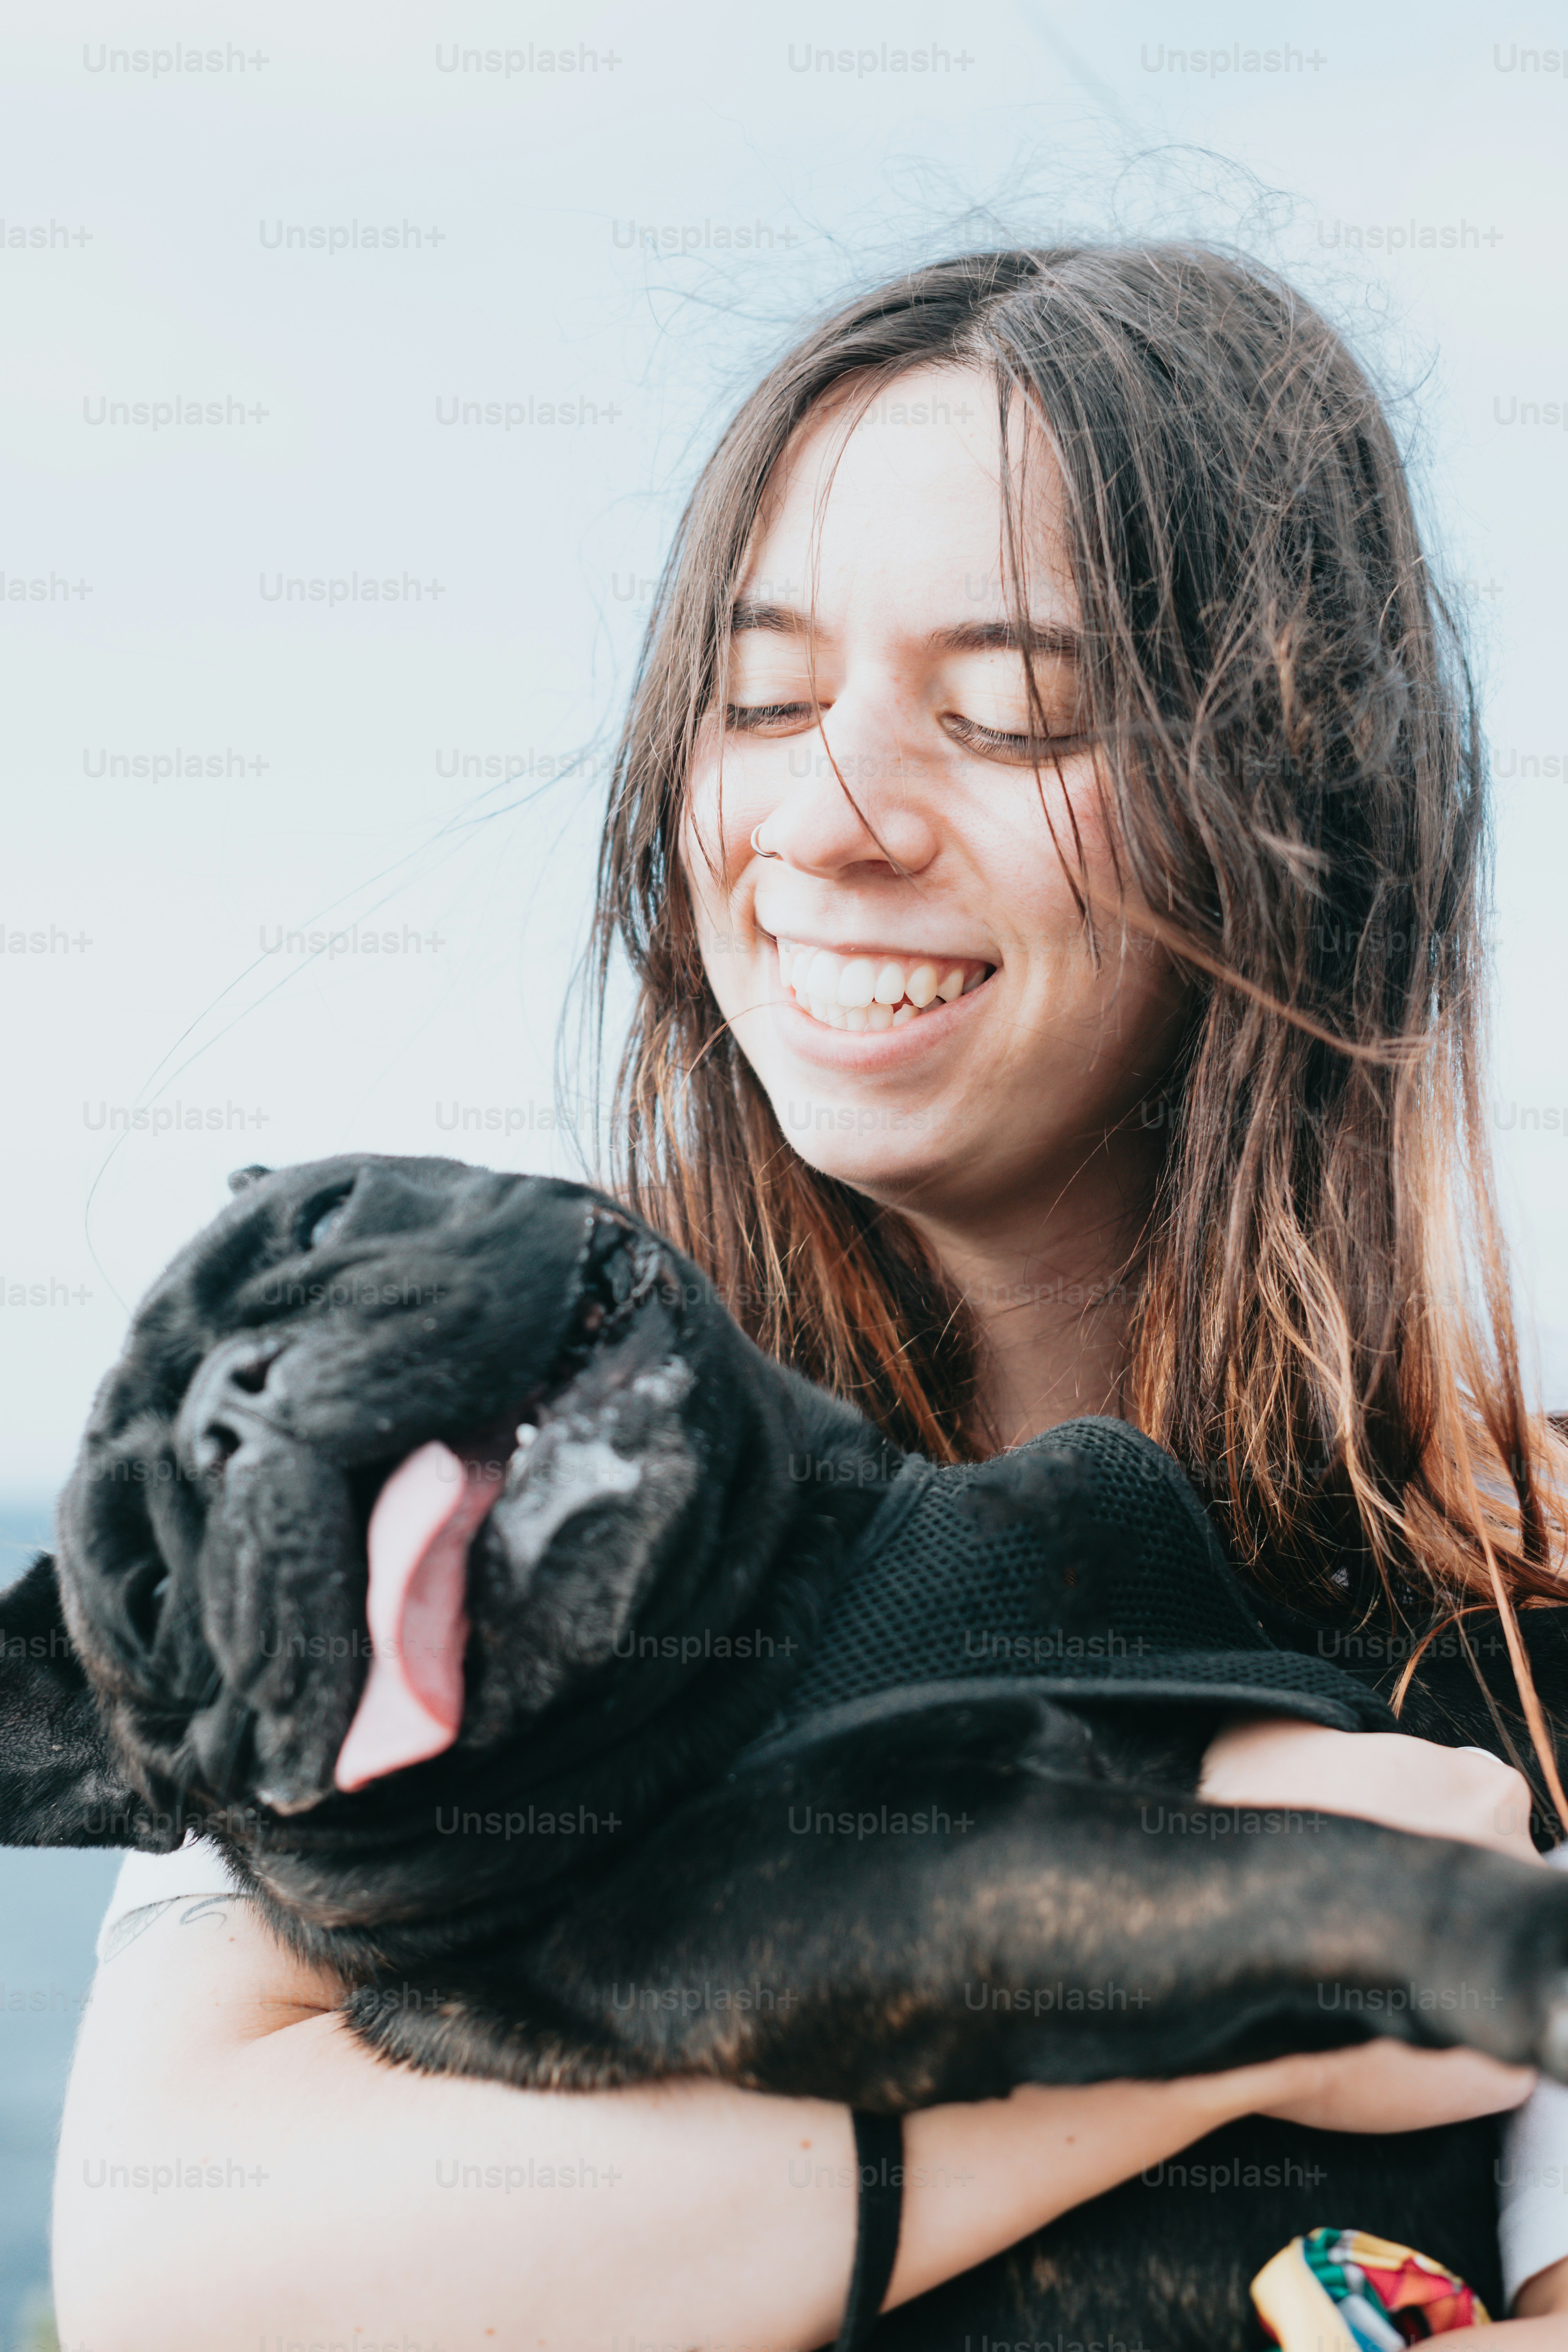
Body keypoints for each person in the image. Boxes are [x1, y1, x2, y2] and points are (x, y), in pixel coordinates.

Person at [52, 244, 1568, 2349]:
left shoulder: (1516, 1587)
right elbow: (193, 2269)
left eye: (1012, 708)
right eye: (758, 698)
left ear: (1293, 810)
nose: (823, 814)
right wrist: (1254, 1978)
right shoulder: (457, 1428)